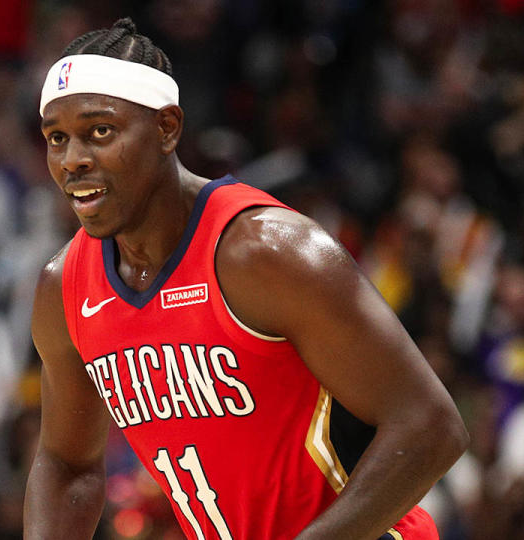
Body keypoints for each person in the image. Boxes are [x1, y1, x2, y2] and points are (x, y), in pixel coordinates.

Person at [25, 18, 468, 540]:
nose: (73, 160)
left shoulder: (265, 251)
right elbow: (66, 464)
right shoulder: (66, 288)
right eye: (58, 138)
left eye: (100, 132)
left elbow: (431, 428)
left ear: (167, 128)